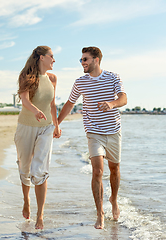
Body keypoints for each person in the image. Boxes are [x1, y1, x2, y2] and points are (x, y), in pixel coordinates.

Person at [57, 46, 127, 229]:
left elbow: (123, 99)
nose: (82, 63)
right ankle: (100, 213)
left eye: (85, 59)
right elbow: (69, 104)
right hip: (93, 132)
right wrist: (57, 123)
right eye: (81, 60)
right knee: (97, 171)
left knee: (115, 169)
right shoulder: (80, 82)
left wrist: (111, 104)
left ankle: (114, 200)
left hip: (113, 130)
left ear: (96, 60)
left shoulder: (113, 77)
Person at [14, 45, 61, 230]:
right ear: (42, 57)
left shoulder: (53, 79)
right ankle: (26, 200)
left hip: (46, 128)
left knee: (39, 170)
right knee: (25, 168)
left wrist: (56, 125)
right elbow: (24, 100)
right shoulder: (27, 76)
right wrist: (35, 111)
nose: (54, 60)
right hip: (26, 127)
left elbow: (53, 104)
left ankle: (40, 215)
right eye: (52, 56)